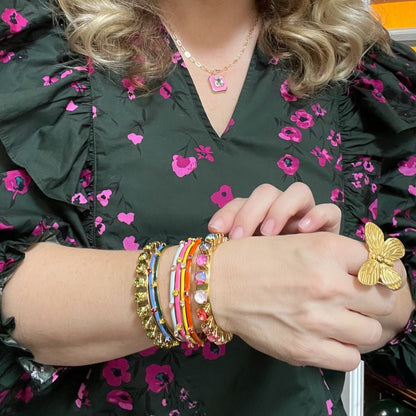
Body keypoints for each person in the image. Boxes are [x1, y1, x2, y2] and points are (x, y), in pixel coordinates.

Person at [0, 0, 415, 414]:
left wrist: (348, 274)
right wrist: (215, 284)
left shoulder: (353, 61)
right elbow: (12, 287)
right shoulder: (36, 43)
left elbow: (400, 302)